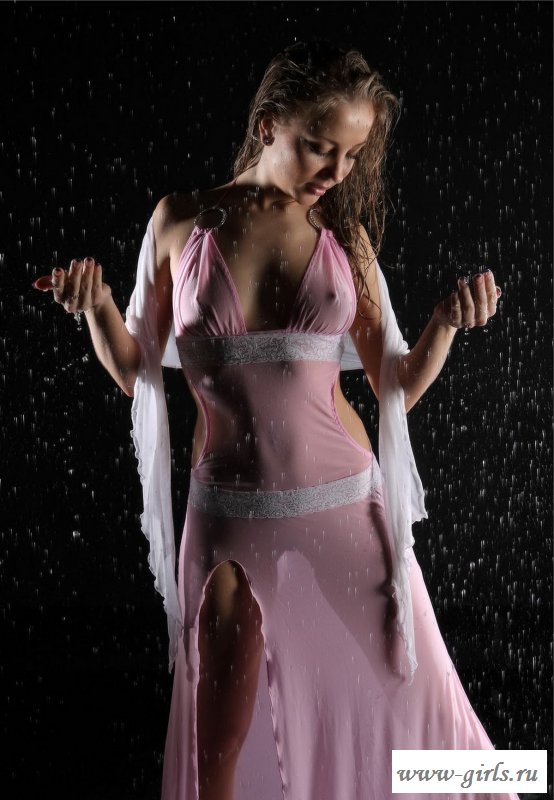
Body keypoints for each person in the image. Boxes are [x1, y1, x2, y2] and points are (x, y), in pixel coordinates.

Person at [34, 41, 516, 800]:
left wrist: (448, 325)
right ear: (269, 125)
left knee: (427, 709)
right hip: (228, 517)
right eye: (321, 146)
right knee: (217, 744)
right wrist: (95, 305)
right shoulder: (178, 221)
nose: (338, 171)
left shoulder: (345, 242)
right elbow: (135, 371)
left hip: (347, 508)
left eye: (353, 154)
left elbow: (395, 382)